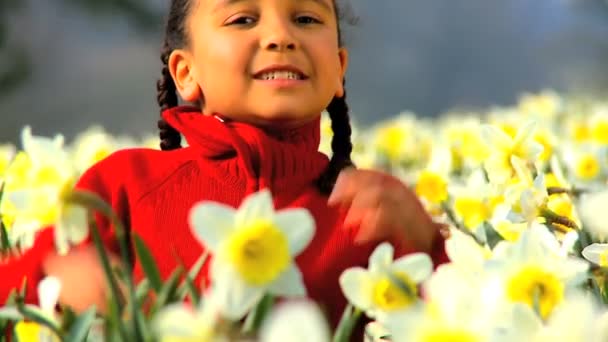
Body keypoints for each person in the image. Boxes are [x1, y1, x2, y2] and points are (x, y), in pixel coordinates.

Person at [1, 0, 449, 328]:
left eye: (306, 18)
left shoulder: (367, 212)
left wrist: (428, 243)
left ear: (338, 69)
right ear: (185, 73)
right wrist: (55, 283)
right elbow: (14, 291)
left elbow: (475, 324)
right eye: (243, 19)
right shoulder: (125, 186)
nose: (281, 36)